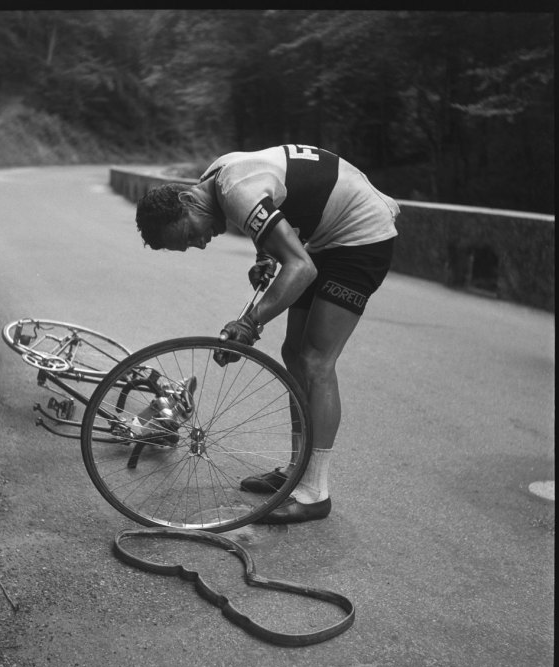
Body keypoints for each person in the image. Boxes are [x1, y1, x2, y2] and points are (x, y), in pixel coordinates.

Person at [135, 144, 399, 523]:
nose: (203, 243)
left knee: (316, 361)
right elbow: (280, 207)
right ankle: (298, 471)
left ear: (186, 202)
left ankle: (314, 493)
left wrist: (250, 323)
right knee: (294, 355)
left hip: (362, 236)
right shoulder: (216, 180)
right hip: (326, 238)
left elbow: (301, 269)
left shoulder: (235, 191)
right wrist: (266, 255)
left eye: (192, 235)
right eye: (192, 245)